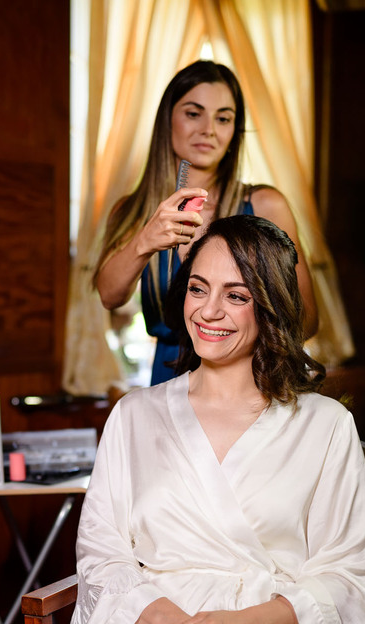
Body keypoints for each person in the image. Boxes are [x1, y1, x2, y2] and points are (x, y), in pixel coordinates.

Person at [59, 215, 365, 624]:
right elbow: (103, 556)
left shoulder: (325, 426)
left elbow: (348, 576)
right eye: (198, 288)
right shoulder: (134, 415)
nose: (208, 311)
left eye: (236, 295)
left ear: (271, 306)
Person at [94, 60, 319, 387]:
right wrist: (145, 241)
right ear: (167, 120)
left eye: (223, 118)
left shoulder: (266, 205)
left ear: (234, 131)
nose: (209, 130)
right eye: (193, 113)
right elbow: (109, 296)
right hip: (168, 378)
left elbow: (307, 320)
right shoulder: (133, 211)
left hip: (248, 380)